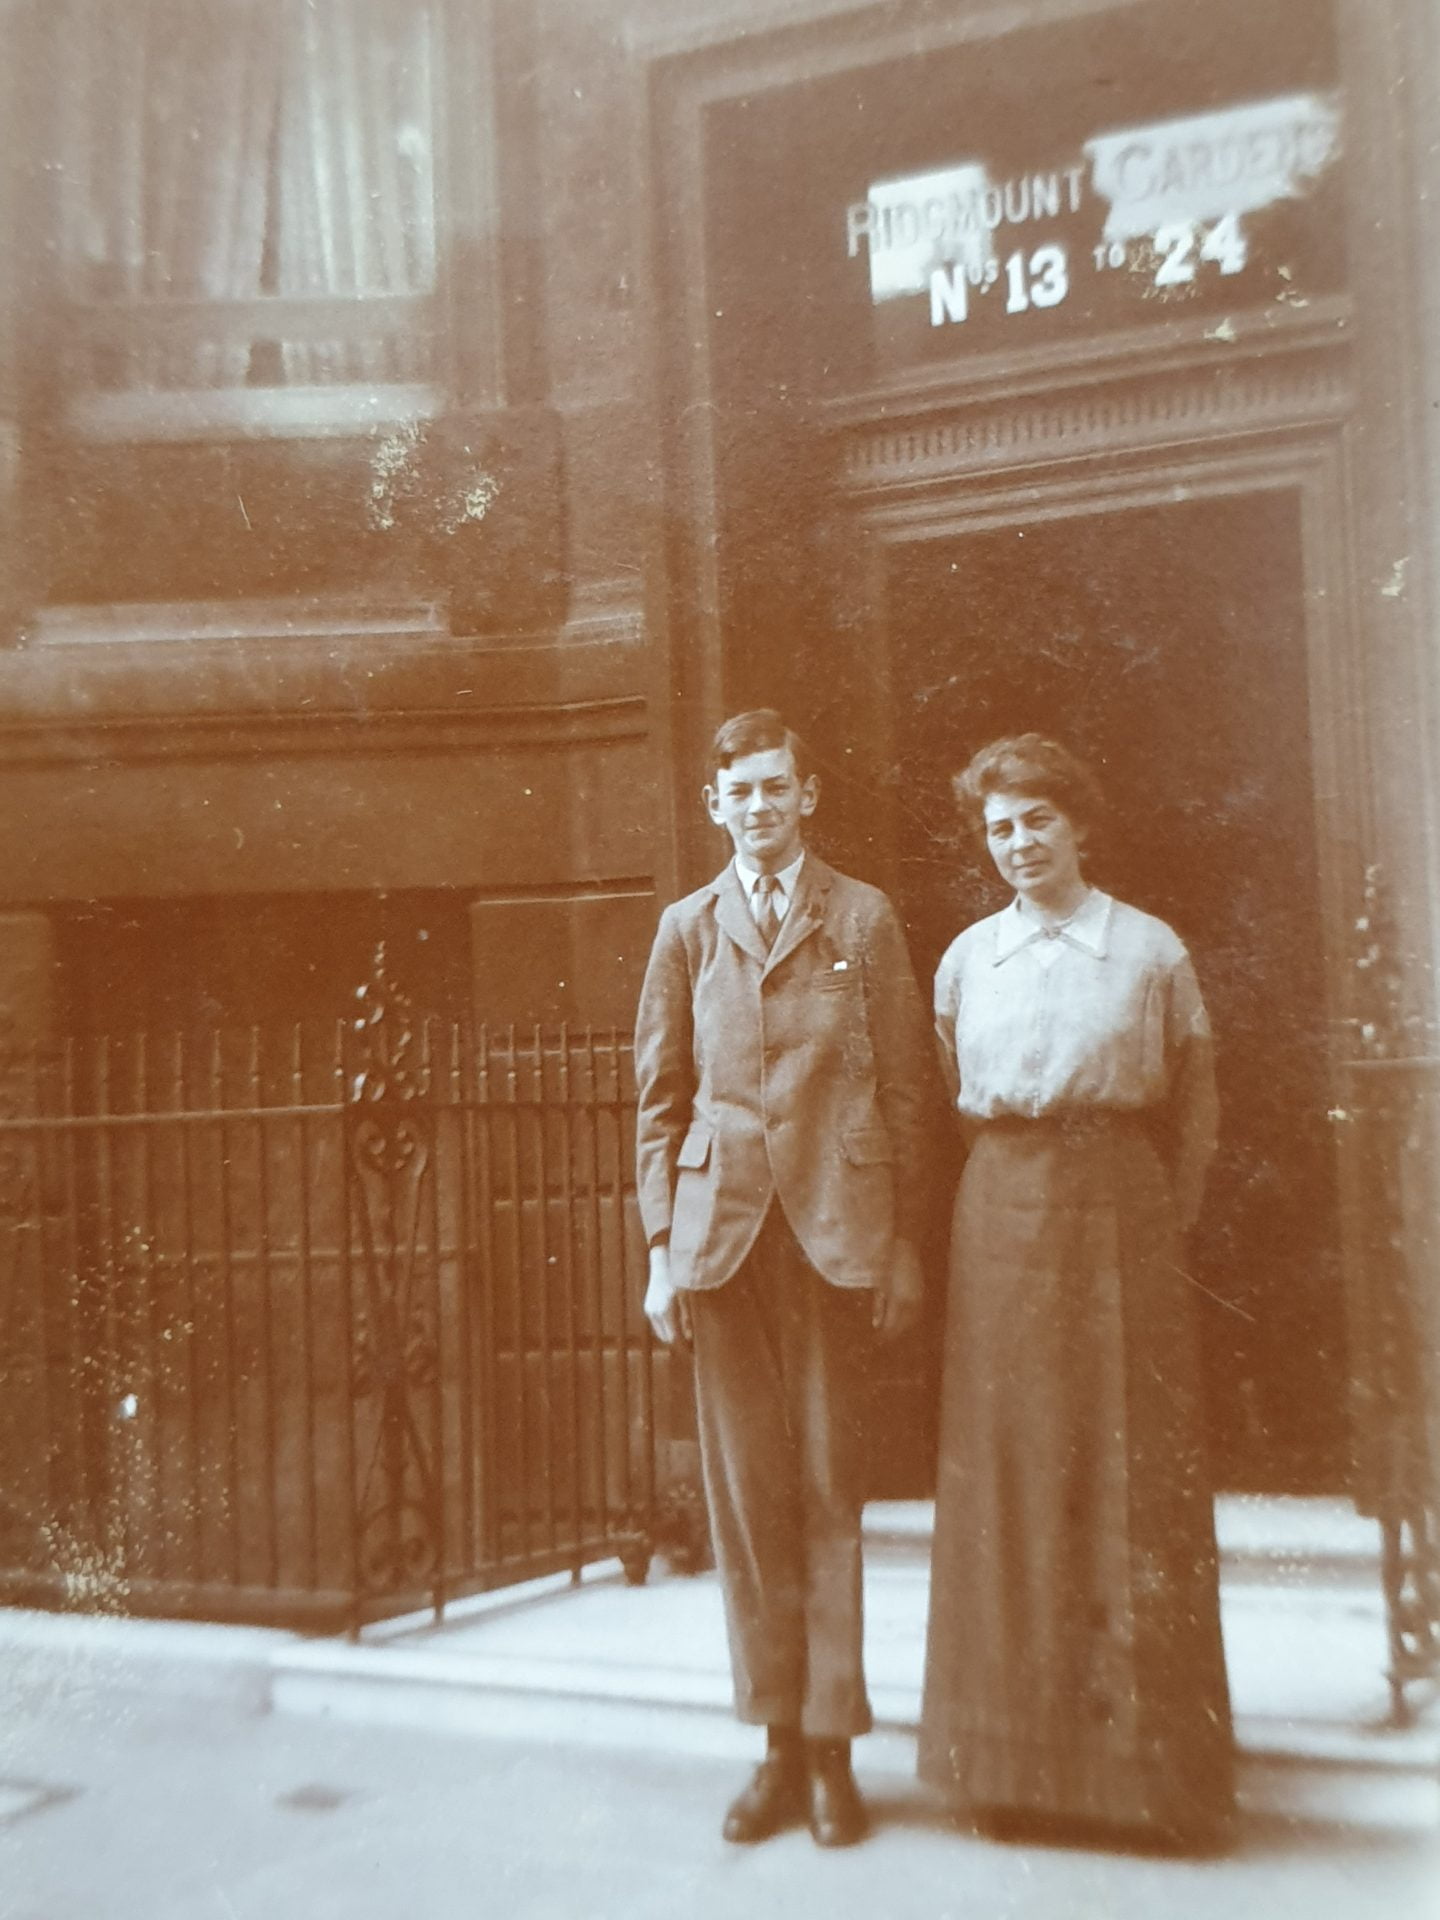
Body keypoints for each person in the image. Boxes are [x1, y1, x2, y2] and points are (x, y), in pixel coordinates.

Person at [918, 733, 1235, 1853]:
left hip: (1120, 1216)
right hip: (1003, 1216)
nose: (1019, 843)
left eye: (1038, 820)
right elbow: (954, 1092)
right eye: (999, 828)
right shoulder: (968, 960)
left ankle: (1146, 1787)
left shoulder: (1148, 949)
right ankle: (1013, 1772)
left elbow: (1194, 1106)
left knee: (1126, 1466)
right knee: (1010, 1470)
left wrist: (1147, 1216)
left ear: (1080, 824)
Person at [635, 708, 934, 1848]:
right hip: (722, 1247)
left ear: (808, 796)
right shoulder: (686, 930)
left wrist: (901, 1243)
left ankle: (832, 1754)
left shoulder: (862, 917)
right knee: (749, 1506)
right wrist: (661, 1253)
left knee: (825, 1493)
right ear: (714, 806)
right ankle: (774, 1749)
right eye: (740, 791)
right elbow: (659, 1104)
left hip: (833, 1236)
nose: (758, 806)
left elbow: (905, 1088)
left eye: (776, 786)